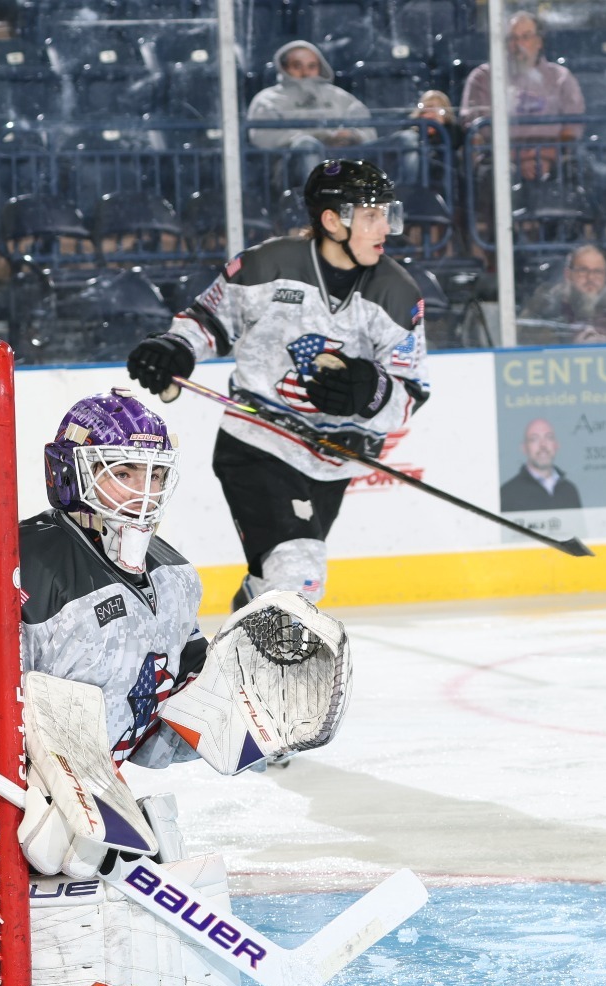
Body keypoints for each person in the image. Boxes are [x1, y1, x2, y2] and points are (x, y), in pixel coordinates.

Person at [0, 390, 352, 986]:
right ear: (72, 472)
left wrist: (235, 718)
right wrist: (33, 765)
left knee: (150, 850)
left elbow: (154, 731)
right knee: (66, 867)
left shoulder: (174, 577)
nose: (142, 490)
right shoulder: (21, 565)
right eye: (122, 471)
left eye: (154, 474)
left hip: (77, 791)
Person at [125, 160, 427, 609]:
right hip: (258, 444)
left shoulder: (396, 293)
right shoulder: (266, 265)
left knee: (275, 582)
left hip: (333, 463)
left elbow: (410, 392)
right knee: (300, 571)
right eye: (371, 215)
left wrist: (371, 392)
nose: (385, 226)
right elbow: (206, 322)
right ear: (332, 220)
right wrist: (176, 349)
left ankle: (242, 644)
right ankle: (280, 676)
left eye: (386, 213)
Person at [463, 12, 586, 179]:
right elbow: (478, 129)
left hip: (553, 159)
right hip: (500, 159)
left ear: (539, 42)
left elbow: (572, 127)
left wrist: (546, 156)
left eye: (526, 37)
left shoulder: (561, 78)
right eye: (512, 38)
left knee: (582, 172)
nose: (518, 44)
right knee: (488, 175)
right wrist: (519, 157)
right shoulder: (483, 77)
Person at [247, 41, 379, 187]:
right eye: (297, 66)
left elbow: (367, 129)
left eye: (312, 66)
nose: (305, 73)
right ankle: (316, 198)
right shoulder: (267, 100)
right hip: (290, 169)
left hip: (345, 162)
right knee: (307, 146)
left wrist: (353, 135)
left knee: (405, 140)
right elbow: (262, 138)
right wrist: (317, 137)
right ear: (284, 68)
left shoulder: (340, 96)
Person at [518, 244, 606, 344]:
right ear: (568, 274)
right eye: (583, 270)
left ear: (605, 276)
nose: (590, 278)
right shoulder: (545, 305)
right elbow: (529, 342)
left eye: (597, 272)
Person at [499, 418, 582, 511]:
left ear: (556, 445)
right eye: (534, 439)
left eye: (549, 437)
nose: (543, 445)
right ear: (524, 448)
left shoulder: (570, 491)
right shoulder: (507, 494)